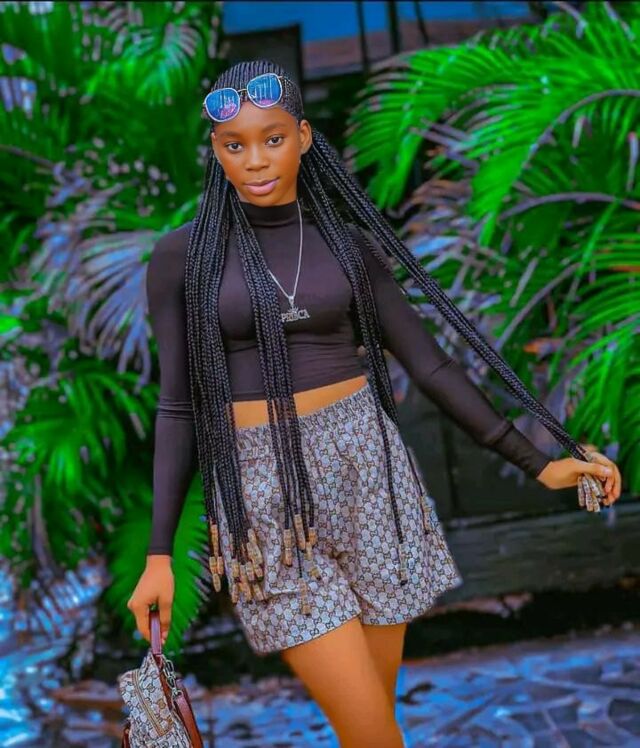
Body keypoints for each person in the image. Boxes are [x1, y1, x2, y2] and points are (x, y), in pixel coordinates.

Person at [127, 59, 622, 748]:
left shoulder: (347, 244)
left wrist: (537, 460)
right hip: (267, 501)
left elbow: (432, 365)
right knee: (373, 734)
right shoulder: (183, 258)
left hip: (369, 475)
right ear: (216, 150)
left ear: (303, 137)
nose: (255, 160)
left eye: (272, 139)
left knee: (373, 726)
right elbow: (178, 406)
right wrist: (158, 555)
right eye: (234, 145)